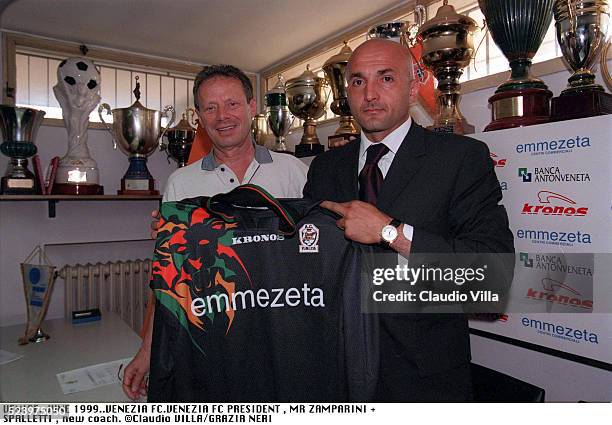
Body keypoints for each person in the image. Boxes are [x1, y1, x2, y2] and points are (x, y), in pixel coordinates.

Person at [303, 39, 514, 401]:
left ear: (413, 86)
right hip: (336, 377)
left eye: (385, 78)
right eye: (357, 81)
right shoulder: (325, 168)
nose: (370, 93)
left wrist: (391, 233)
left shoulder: (460, 159)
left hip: (424, 384)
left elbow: (492, 282)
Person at [122, 64, 308, 400]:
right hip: (215, 346)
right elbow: (167, 281)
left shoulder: (295, 173)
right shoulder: (182, 183)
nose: (223, 116)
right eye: (211, 107)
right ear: (198, 117)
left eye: (233, 104)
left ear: (252, 108)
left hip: (283, 343)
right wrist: (147, 351)